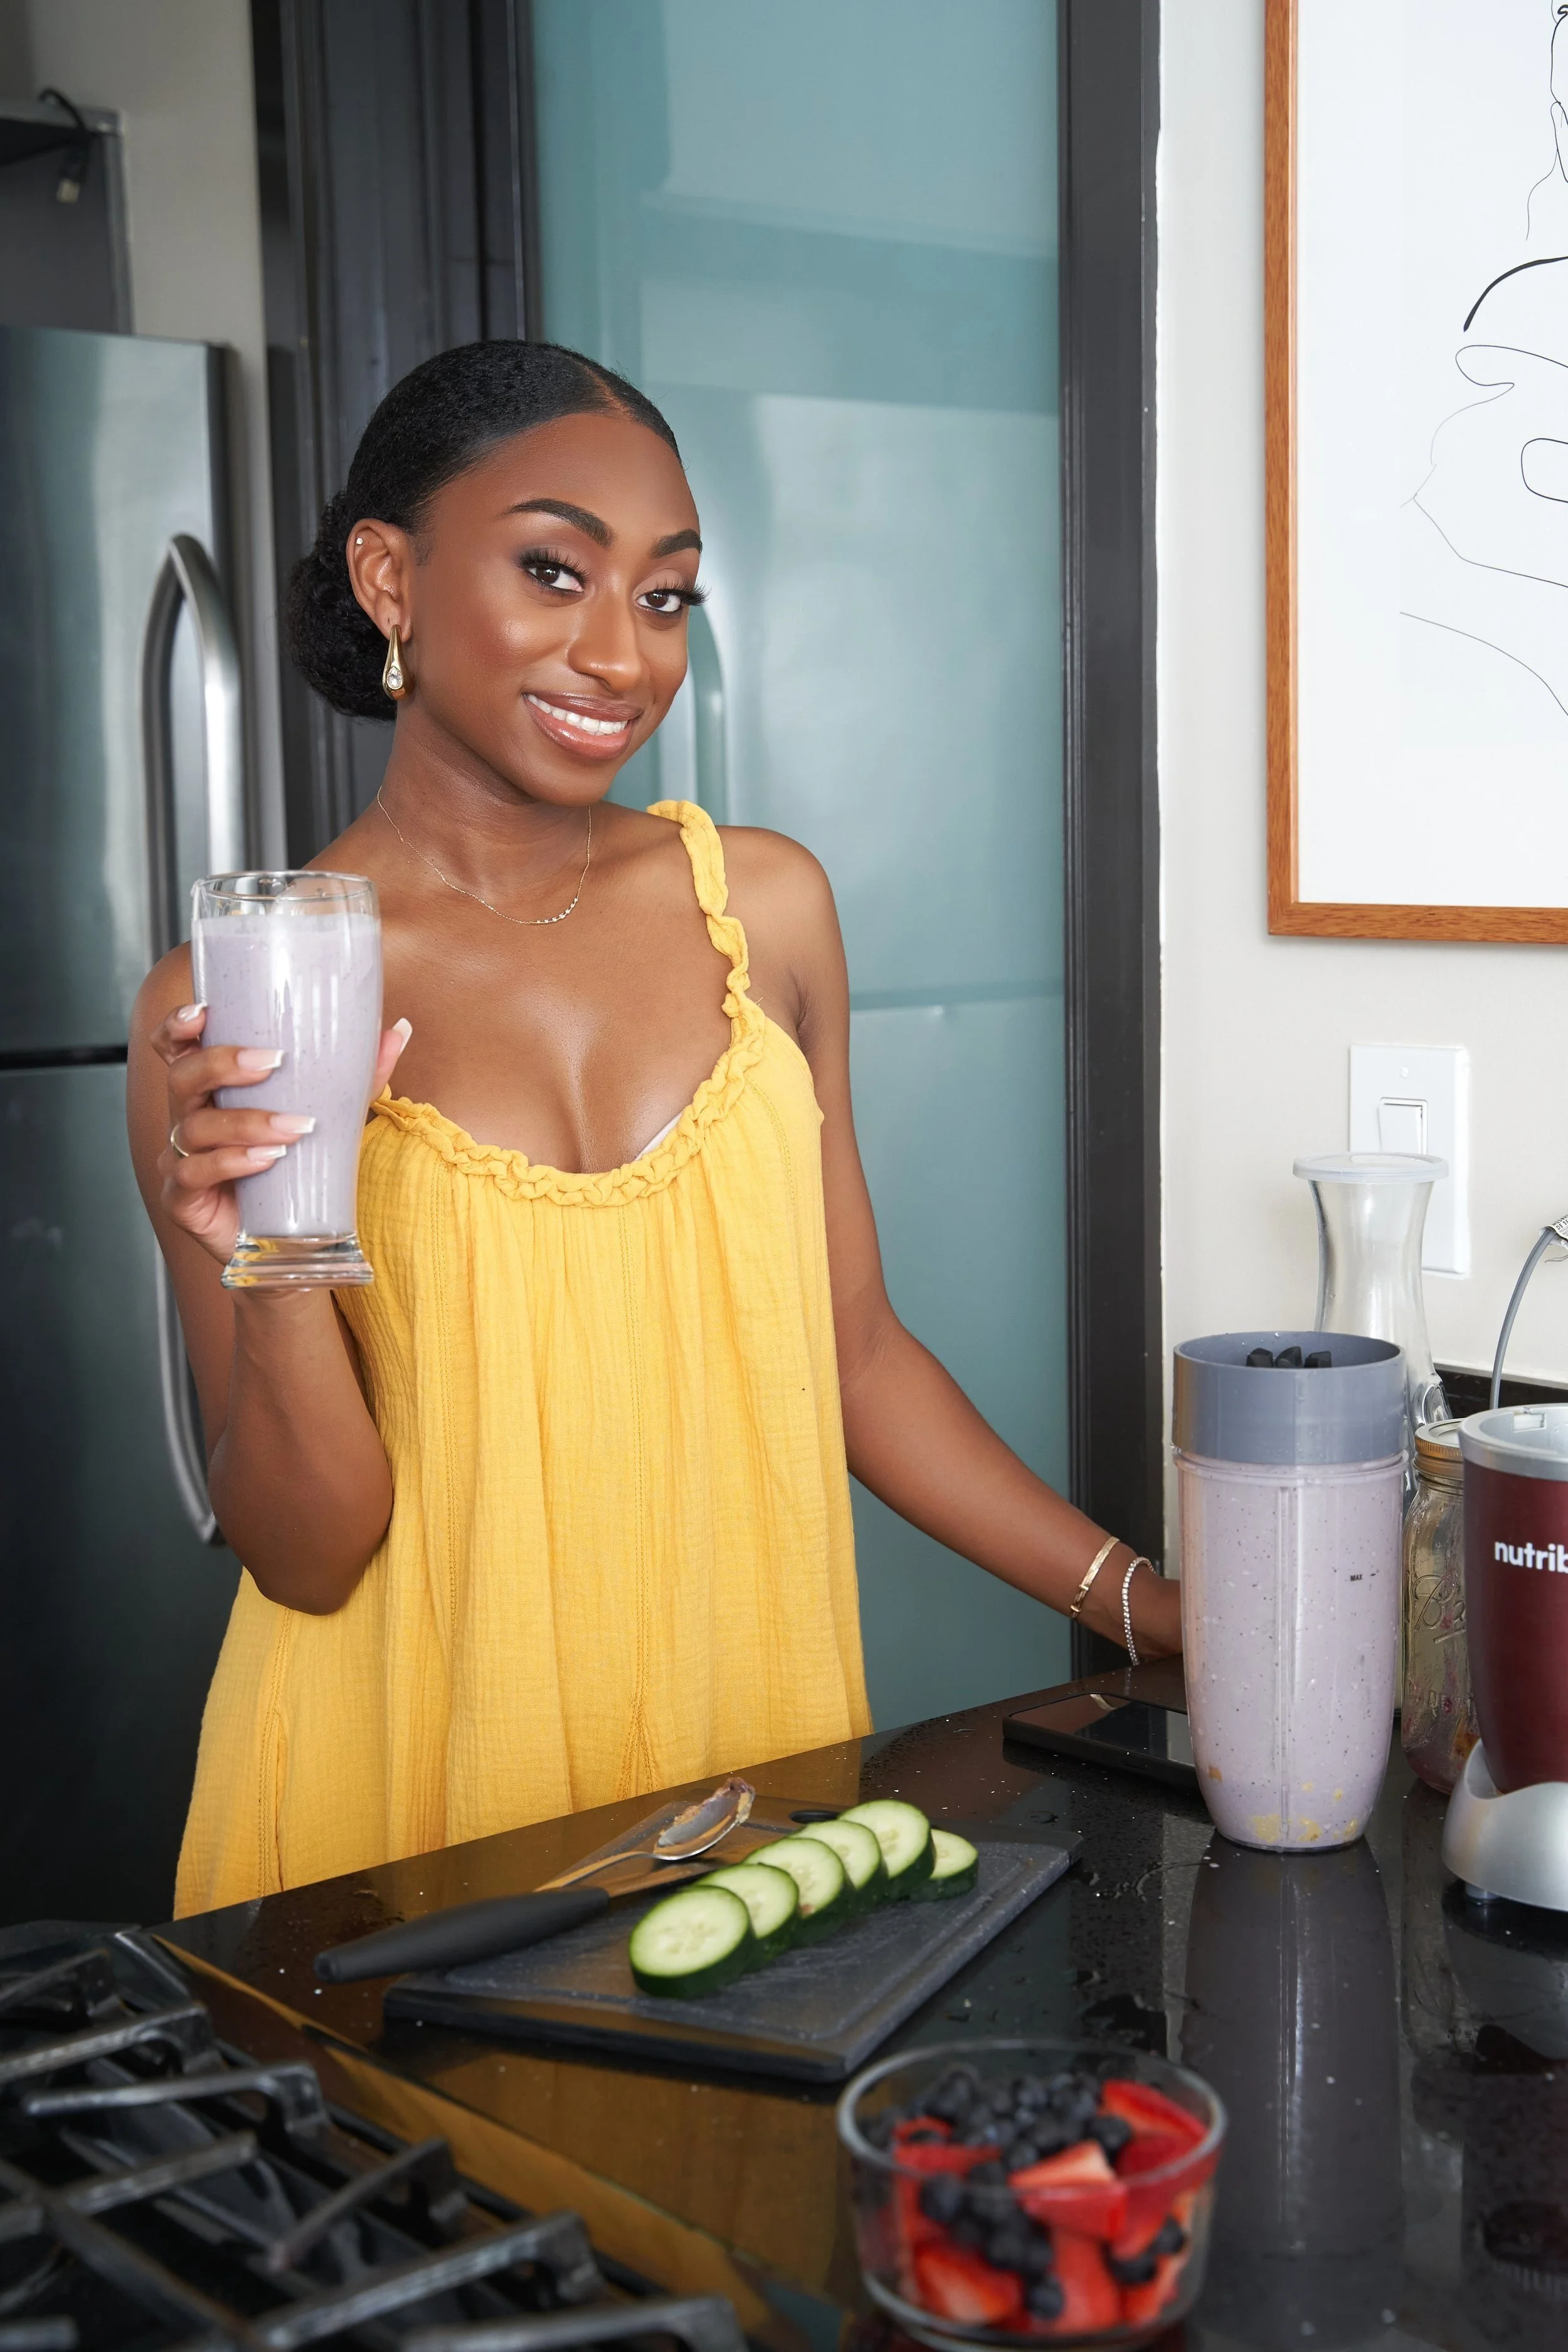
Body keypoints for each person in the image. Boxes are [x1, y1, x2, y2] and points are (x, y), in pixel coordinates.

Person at [128, 342, 1180, 1917]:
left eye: (666, 595)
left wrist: (1154, 1611)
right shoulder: (234, 1004)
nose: (620, 655)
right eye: (554, 571)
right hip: (406, 1811)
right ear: (387, 576)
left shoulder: (765, 908)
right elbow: (308, 1556)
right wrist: (277, 1255)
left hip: (743, 1783)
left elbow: (856, 1357)